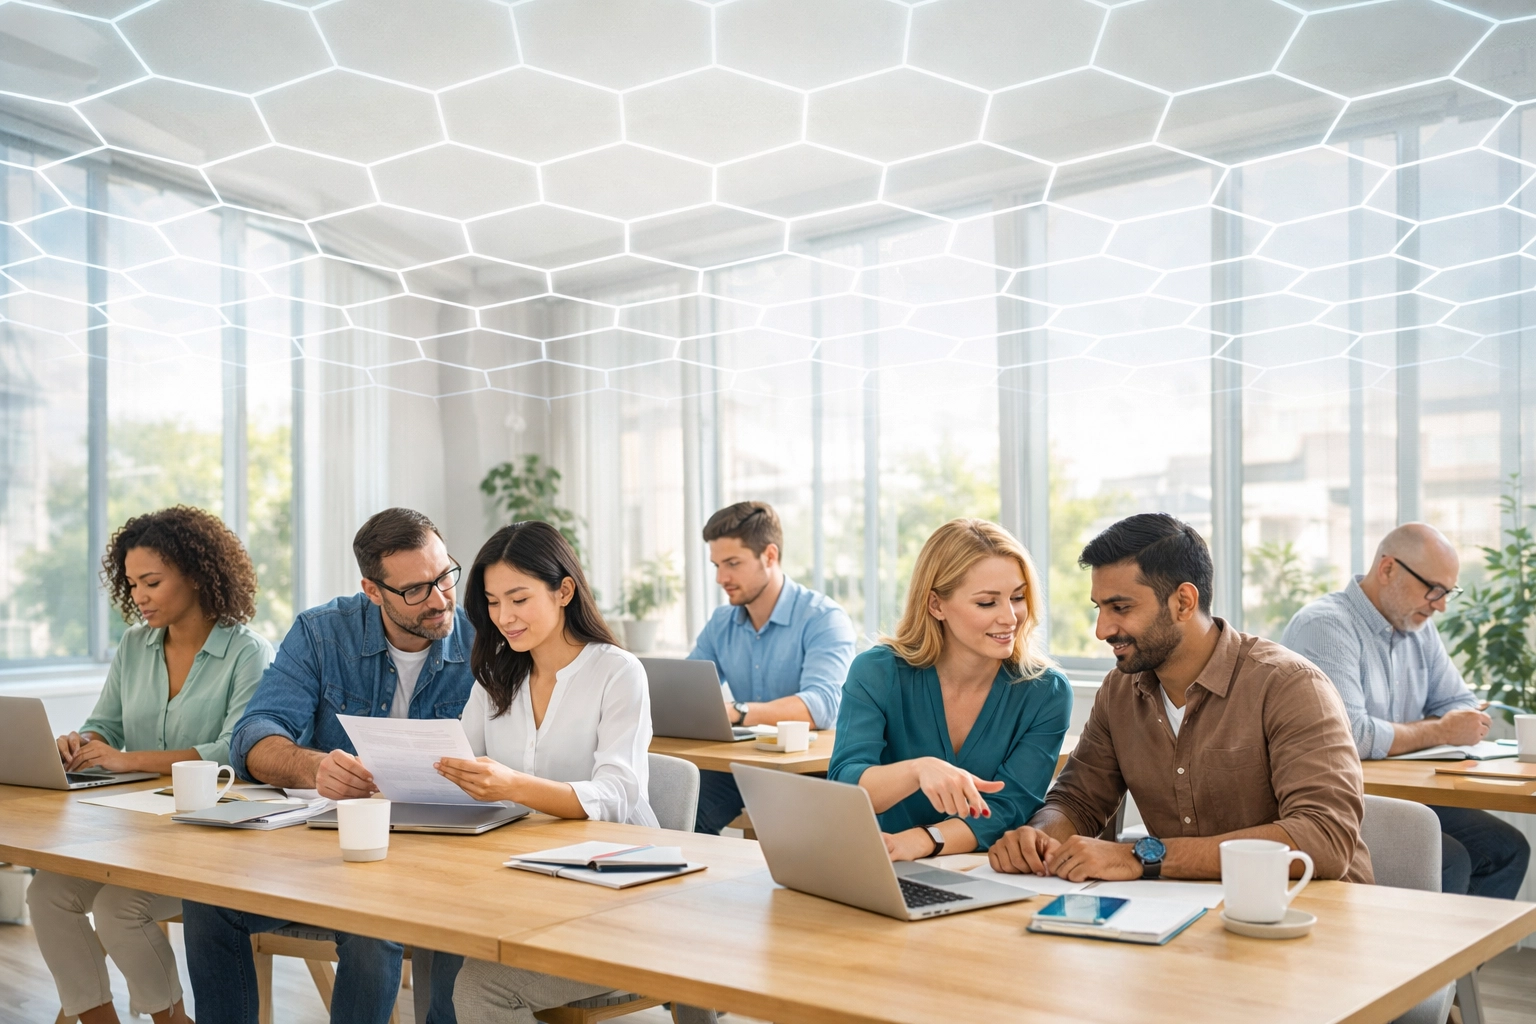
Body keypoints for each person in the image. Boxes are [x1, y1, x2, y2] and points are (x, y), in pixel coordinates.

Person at [181, 507, 474, 1024]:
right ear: (373, 589)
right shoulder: (322, 633)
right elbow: (252, 737)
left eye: (445, 575)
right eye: (415, 590)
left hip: (442, 859)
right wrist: (313, 766)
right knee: (209, 903)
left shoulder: (484, 644)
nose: (439, 600)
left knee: (372, 924)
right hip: (337, 852)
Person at [988, 513, 1374, 884]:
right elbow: (1077, 801)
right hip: (1187, 914)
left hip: (1312, 918)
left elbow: (1323, 839)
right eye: (1100, 609)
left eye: (1120, 607)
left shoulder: (1290, 686)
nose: (1103, 629)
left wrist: (1142, 856)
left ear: (1184, 602)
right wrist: (1038, 837)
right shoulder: (1119, 691)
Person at [29, 506, 273, 1024]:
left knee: (121, 910)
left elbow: (236, 749)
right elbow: (106, 724)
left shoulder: (247, 653)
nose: (138, 595)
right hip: (133, 833)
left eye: (152, 581)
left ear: (196, 574)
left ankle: (171, 1020)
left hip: (209, 839)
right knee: (47, 893)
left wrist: (126, 760)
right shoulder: (134, 646)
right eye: (132, 582)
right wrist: (82, 743)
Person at [443, 520, 667, 1023]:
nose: (503, 616)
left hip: (618, 894)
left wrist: (513, 785)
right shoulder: (496, 674)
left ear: (564, 590)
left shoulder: (618, 672)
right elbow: (460, 766)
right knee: (440, 942)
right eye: (493, 602)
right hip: (527, 887)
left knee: (480, 989)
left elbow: (617, 795)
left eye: (519, 599)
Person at [1284, 523, 1530, 899]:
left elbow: (1461, 705)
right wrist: (1439, 731)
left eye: (1449, 592)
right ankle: (1424, 958)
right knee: (1452, 859)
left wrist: (1419, 730)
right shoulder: (1326, 626)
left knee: (1506, 848)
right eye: (1434, 589)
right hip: (1341, 804)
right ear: (1387, 570)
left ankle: (1460, 959)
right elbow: (1354, 736)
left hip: (1407, 797)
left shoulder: (1418, 627)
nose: (1442, 605)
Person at [828, 519, 1071, 860]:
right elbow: (846, 783)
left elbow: (1009, 806)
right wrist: (917, 770)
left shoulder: (1047, 692)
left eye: (1017, 597)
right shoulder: (877, 671)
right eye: (987, 603)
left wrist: (922, 840)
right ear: (936, 605)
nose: (1010, 617)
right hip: (878, 863)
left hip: (978, 870)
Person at [687, 501, 855, 834]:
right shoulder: (722, 622)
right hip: (744, 763)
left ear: (770, 556)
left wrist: (737, 711)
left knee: (803, 843)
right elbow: (687, 691)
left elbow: (819, 706)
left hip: (810, 769)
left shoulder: (823, 618)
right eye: (717, 565)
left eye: (733, 563)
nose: (722, 578)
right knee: (677, 808)